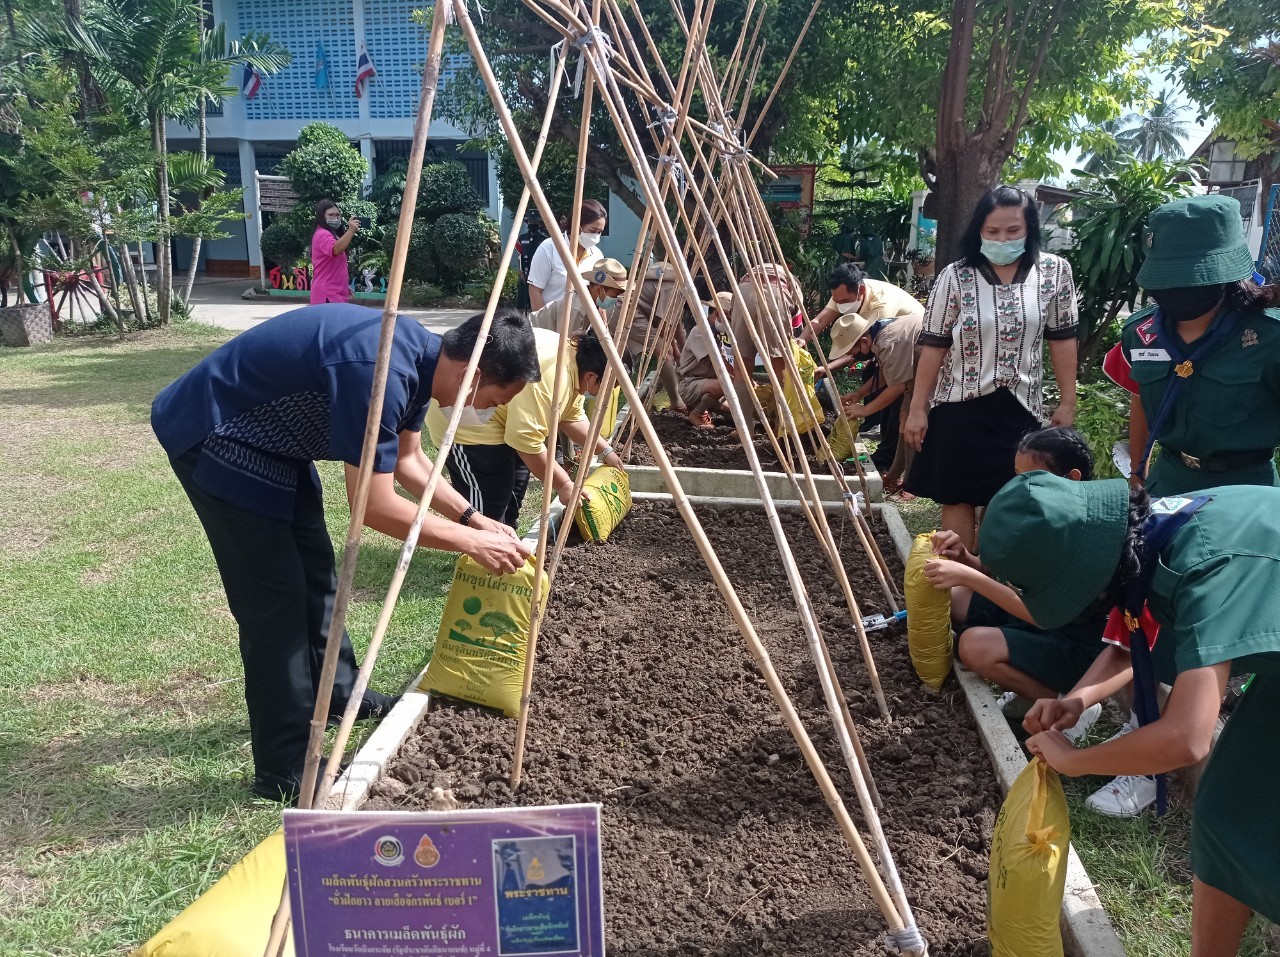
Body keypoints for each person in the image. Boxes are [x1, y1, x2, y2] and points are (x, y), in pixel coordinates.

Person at [151, 304, 541, 802]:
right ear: (472, 374)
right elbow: (373, 507)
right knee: (277, 604)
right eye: (493, 399)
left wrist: (474, 518)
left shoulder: (423, 360)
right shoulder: (379, 370)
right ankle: (285, 767)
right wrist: (470, 543)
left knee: (317, 573)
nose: (485, 411)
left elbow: (409, 460)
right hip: (219, 435)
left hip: (277, 443)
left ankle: (338, 693)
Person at [981, 472, 1280, 955]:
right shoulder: (1143, 540)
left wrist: (1076, 761)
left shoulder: (1207, 569)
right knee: (1226, 812)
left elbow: (1186, 738)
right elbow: (1128, 643)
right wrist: (1076, 700)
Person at [904, 185, 1079, 551]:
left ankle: (990, 587)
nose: (1003, 239)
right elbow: (934, 344)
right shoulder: (955, 276)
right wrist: (918, 407)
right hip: (959, 405)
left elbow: (1062, 338)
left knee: (1008, 498)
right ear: (978, 230)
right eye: (993, 231)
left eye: (1013, 231)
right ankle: (958, 590)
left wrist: (1067, 400)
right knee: (958, 496)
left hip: (1020, 406)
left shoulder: (1054, 273)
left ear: (1029, 228)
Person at [924, 427, 1105, 741]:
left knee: (974, 646)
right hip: (1043, 622)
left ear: (1072, 478)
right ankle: (1031, 691)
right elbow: (1000, 576)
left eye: (1032, 476)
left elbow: (1041, 613)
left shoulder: (1082, 534)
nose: (1021, 486)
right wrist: (965, 558)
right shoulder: (1035, 514)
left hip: (1076, 644)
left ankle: (1068, 700)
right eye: (1017, 475)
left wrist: (972, 577)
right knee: (957, 596)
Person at [1101, 194, 1280, 495]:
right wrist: (1137, 474)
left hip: (1248, 491)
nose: (1176, 291)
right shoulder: (1141, 333)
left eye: (1190, 278)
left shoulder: (1270, 337)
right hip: (1168, 482)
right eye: (1168, 280)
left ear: (1227, 276)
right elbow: (1140, 401)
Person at [426, 324, 626, 526]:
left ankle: (504, 542)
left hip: (506, 420)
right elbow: (526, 442)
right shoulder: (553, 375)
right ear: (592, 376)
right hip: (468, 420)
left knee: (512, 494)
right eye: (611, 385)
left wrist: (605, 450)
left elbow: (571, 416)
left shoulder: (576, 362)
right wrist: (564, 485)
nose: (610, 392)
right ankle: (477, 551)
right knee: (488, 506)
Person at [828, 306, 924, 494]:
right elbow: (887, 372)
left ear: (864, 341)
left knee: (914, 424)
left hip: (937, 372)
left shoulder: (889, 340)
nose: (854, 357)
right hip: (918, 372)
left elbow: (896, 386)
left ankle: (913, 485)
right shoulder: (881, 334)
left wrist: (864, 410)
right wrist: (860, 394)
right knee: (905, 419)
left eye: (854, 352)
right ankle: (896, 475)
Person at [729, 262, 804, 434]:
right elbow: (796, 323)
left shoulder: (749, 273)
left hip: (744, 292)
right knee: (780, 369)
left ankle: (745, 429)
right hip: (775, 294)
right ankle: (781, 426)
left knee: (742, 368)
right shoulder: (792, 282)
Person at [800, 262, 922, 345]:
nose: (841, 306)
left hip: (916, 338)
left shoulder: (882, 302)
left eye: (845, 301)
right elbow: (820, 321)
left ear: (861, 291)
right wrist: (801, 340)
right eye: (837, 302)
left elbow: (870, 342)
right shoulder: (841, 294)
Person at [526, 199, 607, 311]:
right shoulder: (549, 248)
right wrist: (542, 323)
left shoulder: (597, 255)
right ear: (577, 226)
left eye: (600, 232)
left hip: (582, 324)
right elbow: (535, 289)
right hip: (552, 322)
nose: (596, 236)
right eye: (592, 231)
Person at [676, 291, 735, 427]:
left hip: (705, 385)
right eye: (729, 318)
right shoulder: (700, 332)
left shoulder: (716, 335)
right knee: (726, 384)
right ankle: (697, 413)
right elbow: (719, 362)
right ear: (718, 314)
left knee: (736, 411)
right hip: (690, 385)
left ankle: (700, 407)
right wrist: (739, 377)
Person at [528, 258, 628, 334]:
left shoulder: (595, 304)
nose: (615, 299)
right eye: (614, 295)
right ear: (599, 290)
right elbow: (567, 348)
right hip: (531, 337)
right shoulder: (576, 309)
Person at [310, 199, 358, 305]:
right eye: (331, 215)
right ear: (322, 217)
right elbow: (335, 249)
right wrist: (351, 230)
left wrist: (344, 287)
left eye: (337, 215)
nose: (335, 218)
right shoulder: (322, 234)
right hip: (327, 294)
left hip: (334, 293)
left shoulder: (332, 235)